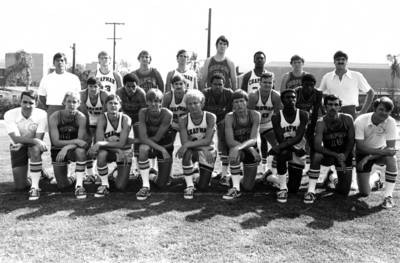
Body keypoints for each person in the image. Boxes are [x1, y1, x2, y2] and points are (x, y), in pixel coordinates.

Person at [304, 95, 354, 204]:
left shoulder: (348, 118)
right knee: (317, 156)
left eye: (336, 105)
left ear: (340, 107)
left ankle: (331, 177)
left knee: (343, 191)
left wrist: (345, 154)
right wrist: (336, 155)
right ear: (325, 107)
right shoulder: (321, 122)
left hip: (344, 156)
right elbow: (317, 146)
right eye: (330, 104)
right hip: (329, 155)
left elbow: (351, 140)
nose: (333, 107)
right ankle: (311, 191)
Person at [355, 97, 398, 209]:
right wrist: (367, 157)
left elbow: (391, 149)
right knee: (364, 193)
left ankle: (388, 197)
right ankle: (375, 178)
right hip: (362, 153)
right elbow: (360, 146)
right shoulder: (361, 120)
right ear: (374, 108)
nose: (384, 113)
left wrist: (369, 157)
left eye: (387, 111)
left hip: (379, 153)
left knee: (391, 158)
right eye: (381, 109)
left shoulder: (391, 122)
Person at [4, 90, 48, 200]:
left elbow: (39, 139)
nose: (27, 106)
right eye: (25, 102)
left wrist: (35, 142)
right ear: (20, 102)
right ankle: (38, 172)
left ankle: (35, 187)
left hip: (33, 146)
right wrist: (35, 141)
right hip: (17, 146)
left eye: (31, 103)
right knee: (20, 186)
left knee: (34, 150)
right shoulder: (9, 114)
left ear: (36, 103)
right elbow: (15, 138)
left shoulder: (42, 114)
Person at [88, 94, 133, 197]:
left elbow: (121, 143)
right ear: (106, 105)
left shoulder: (126, 119)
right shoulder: (102, 118)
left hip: (125, 151)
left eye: (115, 103)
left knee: (120, 186)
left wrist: (101, 143)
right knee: (101, 154)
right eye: (110, 103)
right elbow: (99, 142)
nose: (113, 105)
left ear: (120, 106)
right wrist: (116, 149)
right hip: (112, 150)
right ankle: (104, 184)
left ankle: (114, 173)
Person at [176, 89, 217, 199]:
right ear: (186, 105)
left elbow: (208, 140)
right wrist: (199, 147)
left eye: (195, 103)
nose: (193, 106)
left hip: (208, 151)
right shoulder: (183, 119)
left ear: (202, 103)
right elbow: (185, 143)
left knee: (203, 186)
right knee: (187, 152)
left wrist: (189, 145)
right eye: (190, 103)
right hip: (197, 150)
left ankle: (196, 173)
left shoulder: (210, 117)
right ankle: (189, 186)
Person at [270, 89, 309, 203]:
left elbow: (299, 136)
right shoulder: (276, 116)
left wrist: (297, 150)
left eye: (293, 97)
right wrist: (293, 149)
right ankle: (282, 188)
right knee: (282, 153)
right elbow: (280, 139)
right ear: (282, 100)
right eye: (288, 97)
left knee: (294, 189)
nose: (291, 99)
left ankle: (270, 177)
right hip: (286, 148)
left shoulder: (303, 114)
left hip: (298, 149)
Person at [48, 92, 89, 199]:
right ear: (63, 102)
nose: (71, 104)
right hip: (58, 148)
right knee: (62, 185)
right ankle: (72, 177)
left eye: (74, 102)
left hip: (72, 149)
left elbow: (81, 142)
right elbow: (55, 141)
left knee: (81, 151)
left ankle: (79, 184)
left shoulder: (81, 117)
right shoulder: (55, 116)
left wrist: (66, 147)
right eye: (69, 101)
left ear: (79, 103)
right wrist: (75, 141)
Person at [136, 89, 175, 200]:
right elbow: (143, 137)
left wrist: (141, 140)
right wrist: (160, 149)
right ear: (146, 102)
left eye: (157, 101)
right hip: (158, 147)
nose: (153, 104)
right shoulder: (143, 112)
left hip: (165, 145)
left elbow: (157, 137)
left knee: (162, 184)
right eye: (150, 101)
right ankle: (145, 186)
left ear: (161, 102)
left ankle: (151, 175)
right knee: (143, 149)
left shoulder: (167, 114)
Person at [223, 90, 261, 199]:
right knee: (234, 150)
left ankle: (233, 178)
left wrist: (251, 149)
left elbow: (254, 139)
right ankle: (235, 188)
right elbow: (230, 141)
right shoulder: (229, 117)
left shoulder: (255, 115)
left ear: (247, 102)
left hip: (250, 149)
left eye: (241, 101)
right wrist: (246, 148)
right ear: (232, 104)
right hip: (239, 149)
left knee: (248, 187)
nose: (239, 104)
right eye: (236, 102)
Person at [319, 50, 375, 119]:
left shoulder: (356, 76)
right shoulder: (327, 77)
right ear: (334, 62)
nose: (340, 61)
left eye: (343, 59)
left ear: (346, 62)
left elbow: (370, 92)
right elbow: (319, 94)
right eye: (338, 59)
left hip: (351, 112)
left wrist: (362, 112)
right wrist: (323, 109)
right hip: (332, 112)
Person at [248, 72, 281, 178]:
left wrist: (278, 133)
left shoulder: (276, 96)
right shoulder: (253, 95)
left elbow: (277, 117)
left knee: (278, 146)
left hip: (268, 123)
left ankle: (274, 172)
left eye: (269, 82)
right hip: (254, 124)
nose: (267, 85)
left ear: (273, 83)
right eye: (265, 82)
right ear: (260, 83)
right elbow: (249, 116)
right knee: (252, 149)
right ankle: (254, 169)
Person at [203, 74, 233, 184]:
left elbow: (231, 111)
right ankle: (205, 170)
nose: (217, 86)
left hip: (223, 121)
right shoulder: (205, 93)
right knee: (206, 143)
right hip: (208, 122)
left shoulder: (229, 93)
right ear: (210, 85)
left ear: (224, 84)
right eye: (215, 84)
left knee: (224, 143)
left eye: (220, 84)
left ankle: (224, 173)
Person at [294, 74, 323, 182]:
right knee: (297, 143)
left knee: (312, 142)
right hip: (296, 119)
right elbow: (293, 110)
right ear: (302, 84)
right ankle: (297, 166)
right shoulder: (296, 92)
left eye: (311, 85)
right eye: (306, 85)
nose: (309, 88)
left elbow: (315, 111)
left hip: (310, 118)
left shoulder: (318, 93)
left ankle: (311, 167)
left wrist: (311, 128)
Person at [79, 76, 108, 179]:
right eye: (90, 86)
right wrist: (87, 129)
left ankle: (95, 170)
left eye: (95, 86)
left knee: (97, 143)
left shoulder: (104, 94)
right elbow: (83, 113)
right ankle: (90, 172)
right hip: (87, 118)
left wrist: (98, 130)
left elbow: (105, 113)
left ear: (99, 87)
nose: (93, 89)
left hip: (101, 118)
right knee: (86, 143)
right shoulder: (82, 94)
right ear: (87, 86)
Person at [116, 73, 147, 172]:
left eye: (133, 86)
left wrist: (140, 124)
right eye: (128, 86)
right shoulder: (119, 92)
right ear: (124, 85)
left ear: (137, 85)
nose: (131, 89)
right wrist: (125, 121)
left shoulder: (141, 93)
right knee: (122, 136)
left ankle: (138, 166)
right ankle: (121, 162)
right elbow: (118, 109)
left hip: (137, 116)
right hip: (125, 116)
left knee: (139, 135)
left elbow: (143, 110)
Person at [38, 53, 81, 119]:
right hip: (52, 109)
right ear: (54, 63)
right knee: (52, 129)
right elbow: (41, 96)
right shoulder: (46, 78)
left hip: (70, 109)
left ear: (66, 63)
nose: (60, 62)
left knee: (69, 129)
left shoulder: (74, 78)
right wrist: (49, 107)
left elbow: (78, 96)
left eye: (62, 60)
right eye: (57, 60)